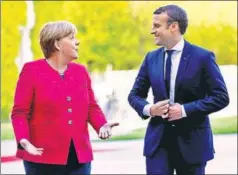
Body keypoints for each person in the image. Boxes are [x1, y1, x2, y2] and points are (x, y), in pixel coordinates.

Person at [128, 5, 229, 175]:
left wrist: (184, 110)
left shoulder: (202, 57)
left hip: (192, 144)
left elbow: (221, 97)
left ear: (173, 26)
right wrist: (150, 109)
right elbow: (134, 95)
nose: (152, 31)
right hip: (158, 143)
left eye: (157, 26)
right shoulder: (151, 58)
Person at [11, 21, 119, 175]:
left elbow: (91, 107)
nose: (77, 41)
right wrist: (23, 140)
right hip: (41, 158)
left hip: (79, 159)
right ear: (57, 44)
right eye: (71, 37)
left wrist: (101, 125)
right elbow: (20, 112)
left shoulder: (80, 72)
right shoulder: (31, 71)